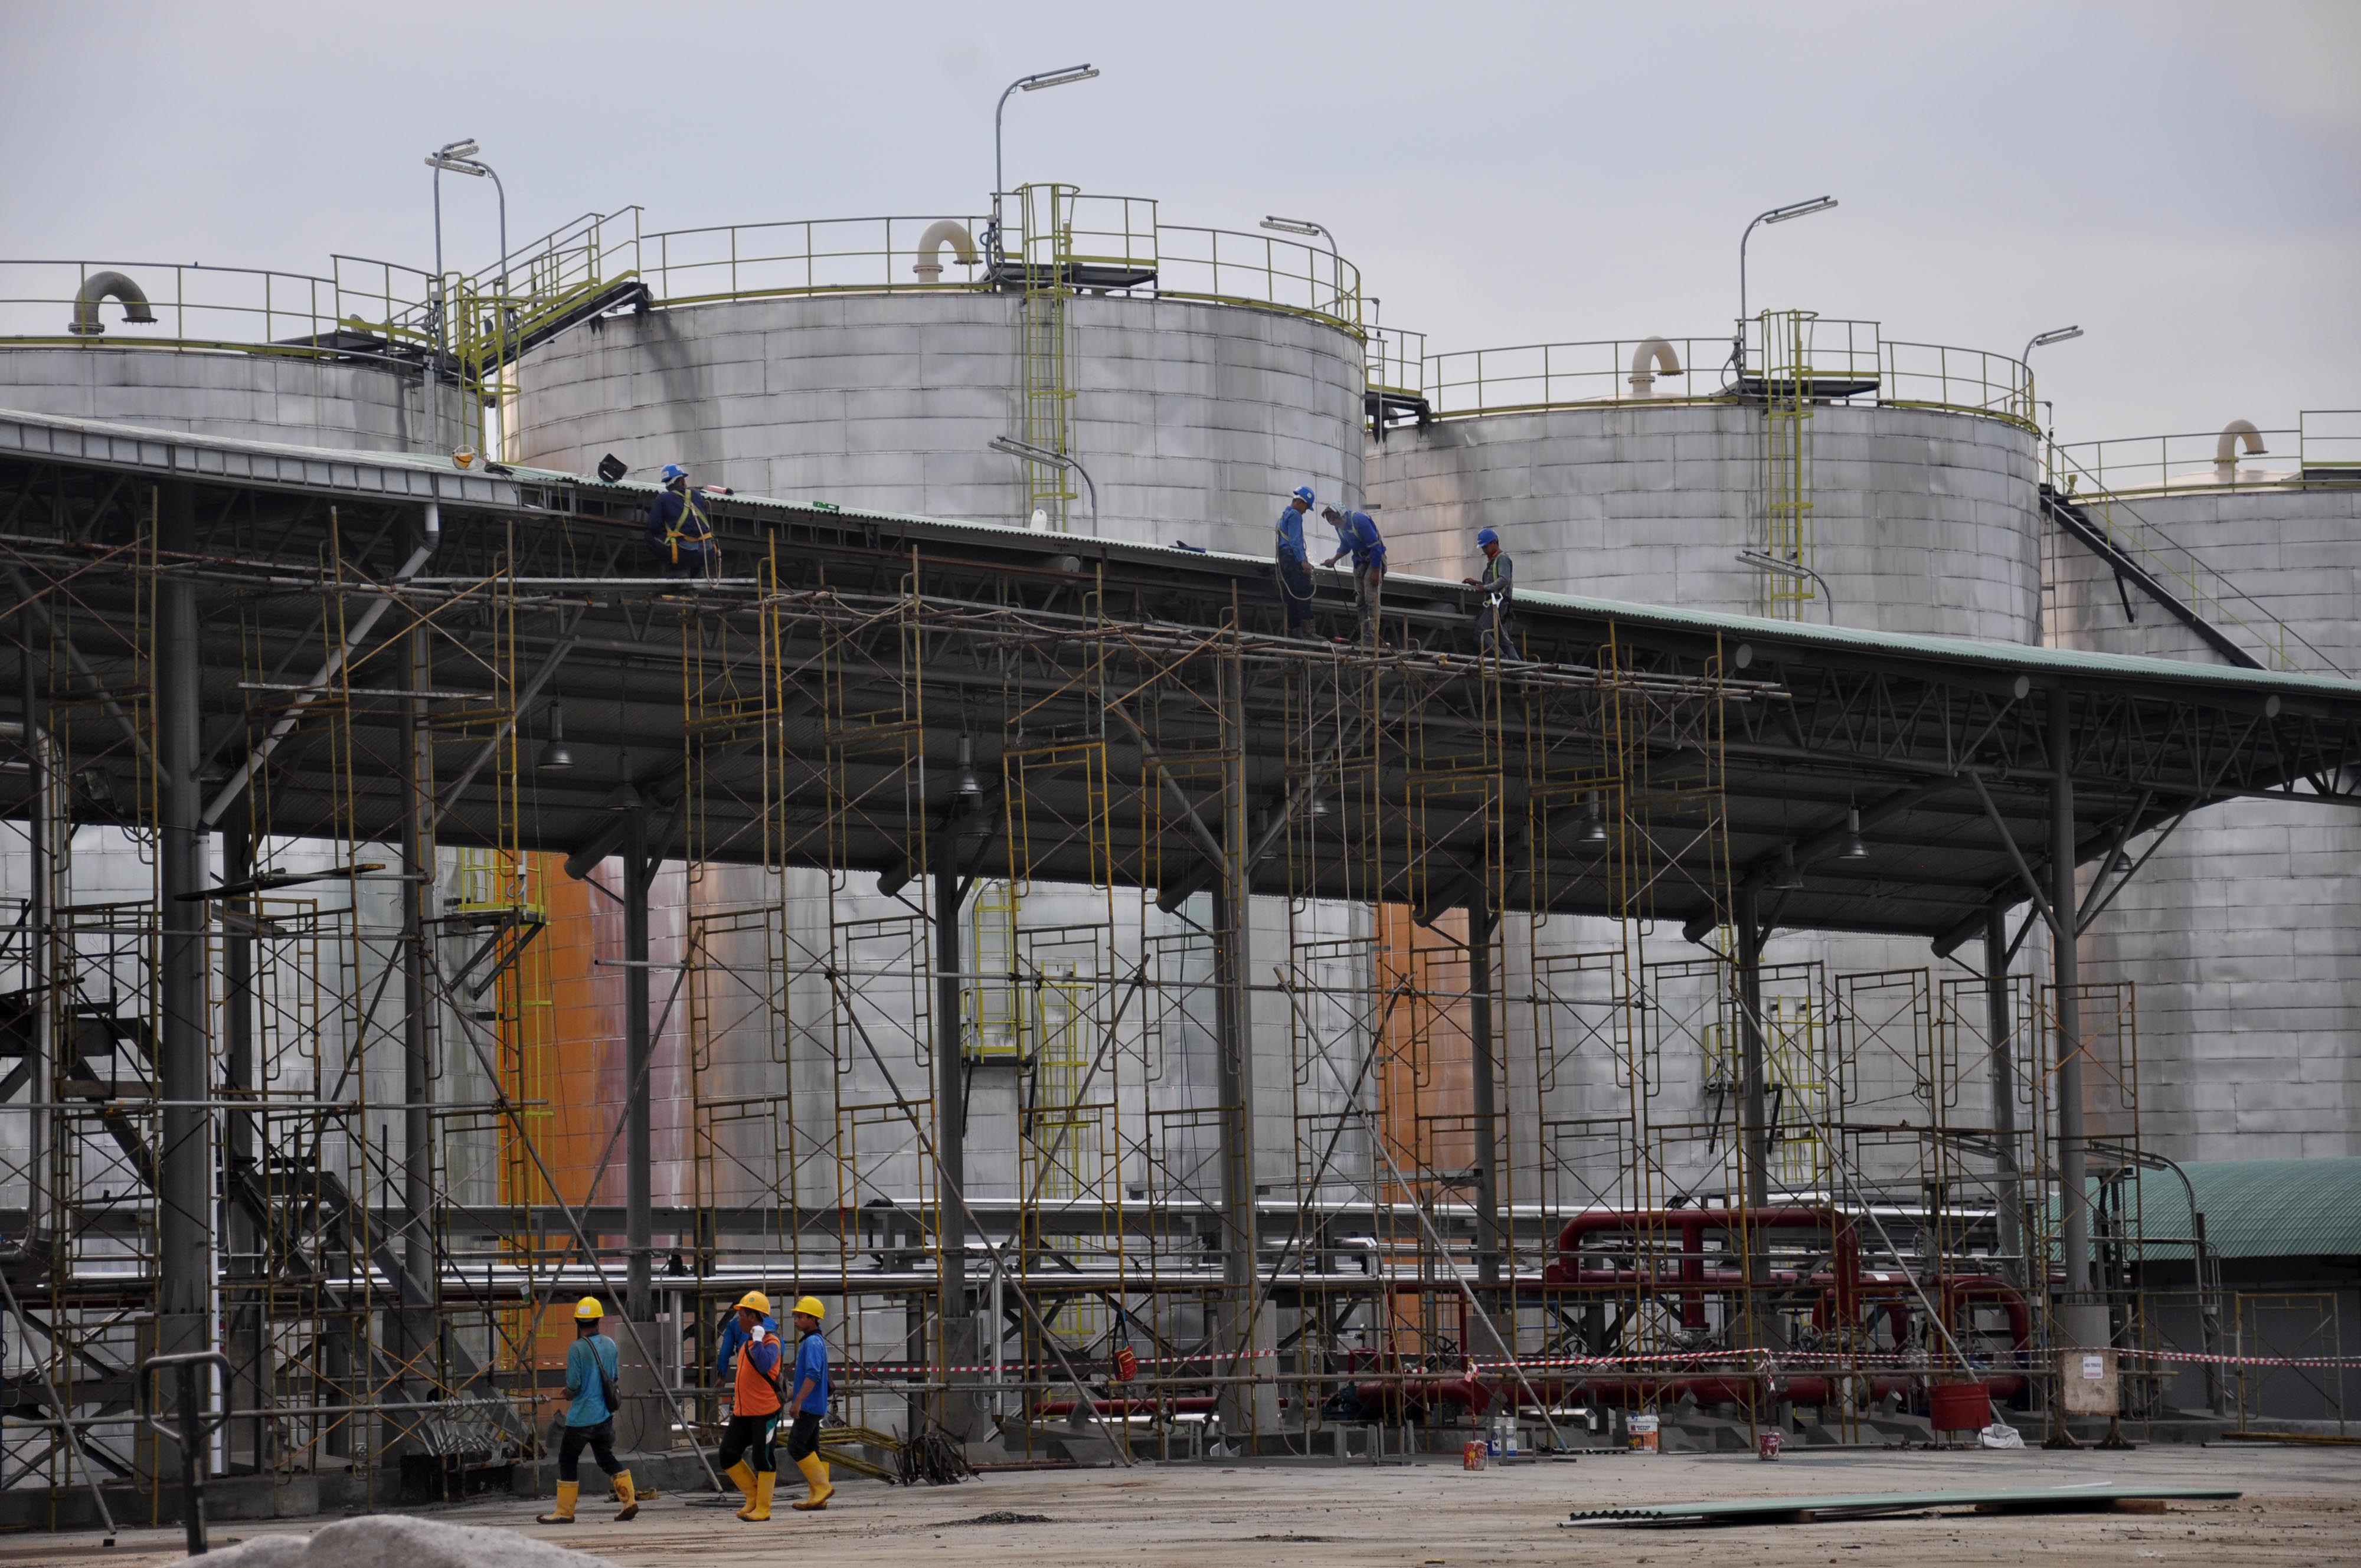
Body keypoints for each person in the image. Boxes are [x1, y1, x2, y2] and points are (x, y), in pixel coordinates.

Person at [537, 1296, 637, 1524]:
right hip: (604, 1417)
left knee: (568, 1458)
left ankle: (565, 1511)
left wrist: (568, 1393)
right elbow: (613, 1378)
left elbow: (574, 1384)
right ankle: (629, 1500)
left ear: (577, 1321)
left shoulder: (577, 1348)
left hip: (582, 1418)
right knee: (606, 1458)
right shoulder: (610, 1345)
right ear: (598, 1320)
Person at [714, 1289, 783, 1522]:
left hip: (764, 1412)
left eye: (741, 1314)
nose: (738, 1319)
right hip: (743, 1412)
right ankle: (752, 1497)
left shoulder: (771, 1342)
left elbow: (764, 1366)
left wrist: (756, 1340)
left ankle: (764, 1507)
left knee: (763, 1458)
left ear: (753, 1317)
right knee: (728, 1454)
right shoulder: (747, 1345)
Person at [781, 1295, 834, 1511]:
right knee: (812, 1448)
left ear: (812, 1319)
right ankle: (818, 1497)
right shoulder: (816, 1341)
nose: (796, 1320)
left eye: (800, 1317)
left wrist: (798, 1403)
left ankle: (822, 1488)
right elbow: (808, 1377)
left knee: (796, 1445)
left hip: (809, 1406)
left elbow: (813, 1375)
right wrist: (790, 1396)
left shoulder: (812, 1343)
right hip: (815, 1405)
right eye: (795, 1316)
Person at [1319, 503, 1387, 640]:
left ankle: (1373, 635)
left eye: (1334, 518)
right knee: (1360, 600)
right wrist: (1334, 560)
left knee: (1371, 598)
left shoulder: (1359, 521)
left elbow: (1375, 546)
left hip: (1374, 561)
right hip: (1359, 561)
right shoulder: (1340, 528)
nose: (1333, 522)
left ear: (1342, 515)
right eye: (1330, 520)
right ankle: (1365, 635)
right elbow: (1345, 546)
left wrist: (1376, 571)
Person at [645, 463, 721, 581]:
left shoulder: (663, 499)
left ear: (667, 484)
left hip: (684, 554)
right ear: (682, 481)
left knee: (650, 537)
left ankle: (678, 570)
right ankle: (697, 571)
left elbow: (654, 527)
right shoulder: (697, 494)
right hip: (708, 552)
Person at [1462, 526, 1514, 657]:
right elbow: (1495, 582)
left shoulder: (1502, 559)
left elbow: (1504, 580)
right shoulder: (1494, 561)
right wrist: (1478, 583)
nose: (1484, 551)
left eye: (1486, 547)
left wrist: (1484, 588)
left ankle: (1502, 659)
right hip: (1500, 604)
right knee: (1504, 641)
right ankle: (1521, 669)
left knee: (1480, 631)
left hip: (1497, 604)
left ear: (1494, 542)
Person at [1273, 485, 1316, 633]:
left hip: (1284, 560)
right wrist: (1303, 562)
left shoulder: (1283, 516)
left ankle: (1295, 630)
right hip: (1293, 558)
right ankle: (1309, 632)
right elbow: (1296, 541)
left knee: (1291, 596)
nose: (1305, 512)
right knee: (1303, 593)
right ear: (1301, 503)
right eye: (1306, 507)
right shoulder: (1295, 515)